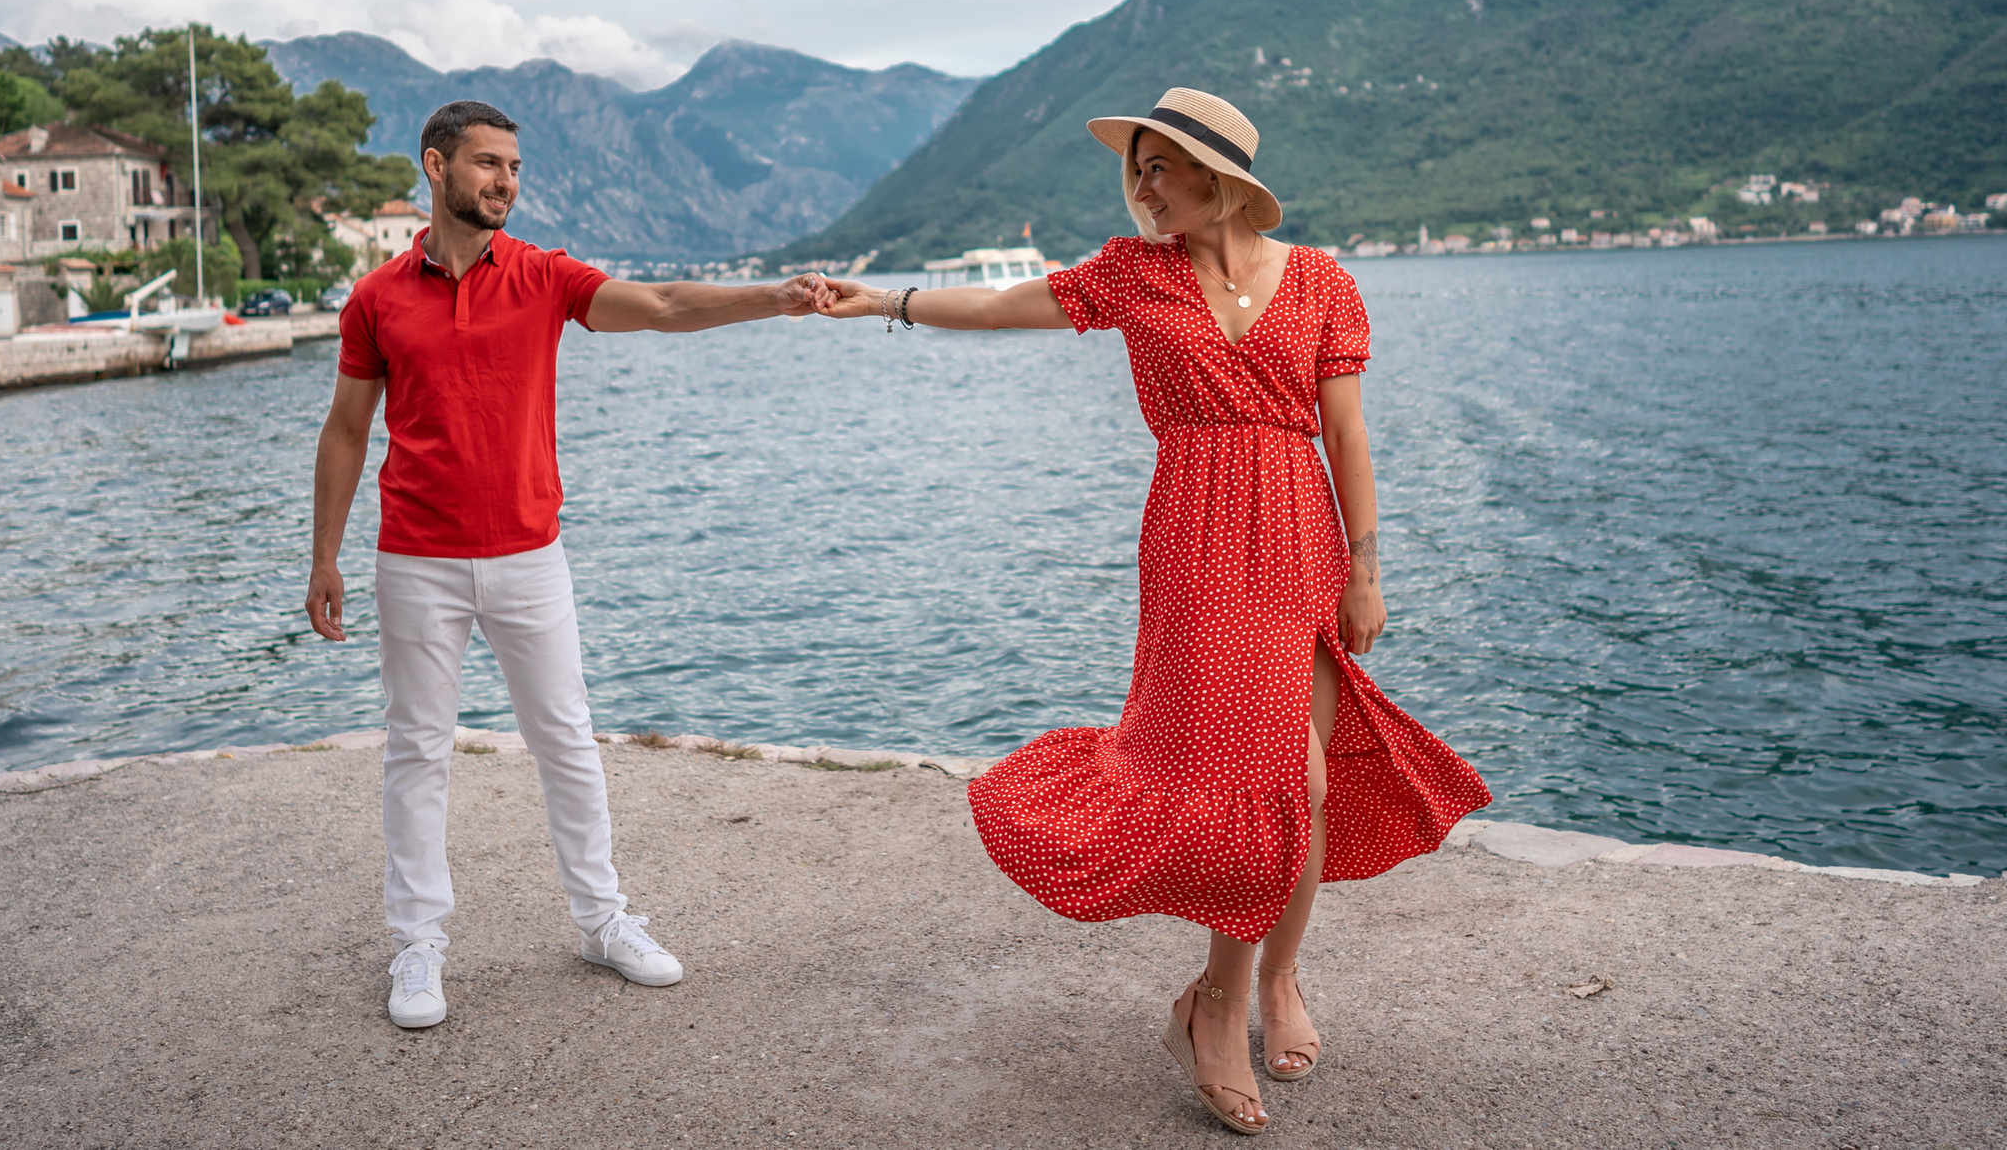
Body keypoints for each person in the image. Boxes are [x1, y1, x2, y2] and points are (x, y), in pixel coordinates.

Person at [824, 87, 1490, 1135]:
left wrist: (1366, 571)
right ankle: (1216, 1006)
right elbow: (1003, 308)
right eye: (1134, 169)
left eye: (1157, 166)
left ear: (1215, 176)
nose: (1141, 186)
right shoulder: (1134, 274)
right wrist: (885, 303)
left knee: (1305, 784)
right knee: (1270, 783)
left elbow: (1346, 436)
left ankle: (1275, 979)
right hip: (1197, 545)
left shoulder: (1321, 280)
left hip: (1299, 540)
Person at [308, 99, 832, 1029]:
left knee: (566, 740)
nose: (506, 181)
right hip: (416, 557)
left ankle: (601, 921)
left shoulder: (543, 276)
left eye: (514, 166)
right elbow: (347, 429)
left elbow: (662, 306)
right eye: (487, 163)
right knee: (417, 748)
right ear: (435, 165)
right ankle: (418, 942)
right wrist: (324, 556)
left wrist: (773, 298)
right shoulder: (376, 297)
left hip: (529, 553)